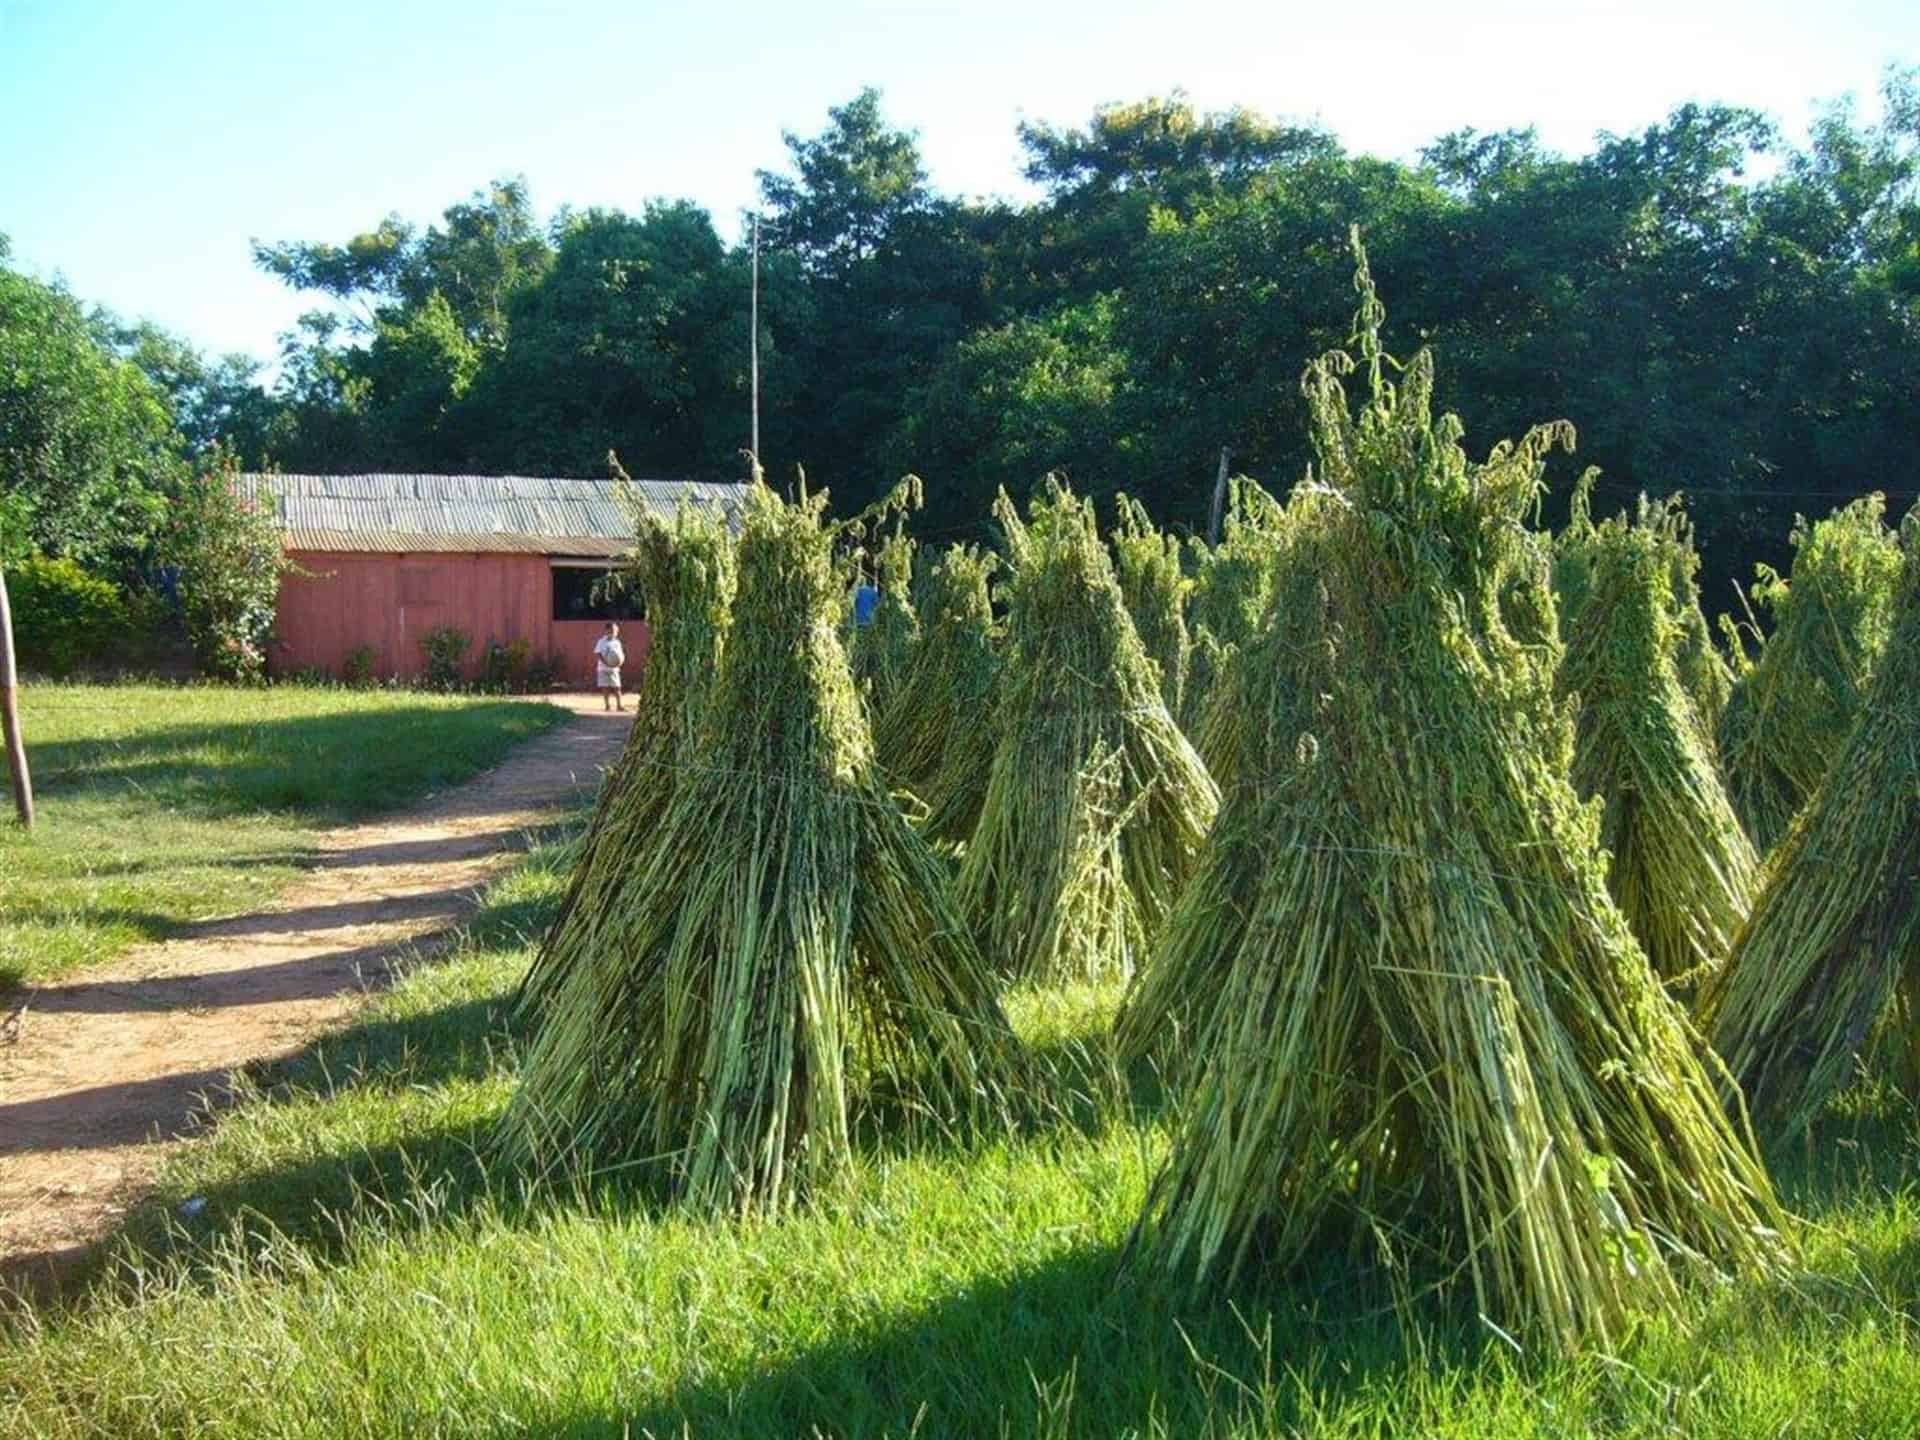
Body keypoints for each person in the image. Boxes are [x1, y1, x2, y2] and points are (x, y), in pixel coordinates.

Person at [593, 623, 626, 711]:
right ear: (606, 631)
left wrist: (621, 662)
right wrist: (606, 662)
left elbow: (621, 654)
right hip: (603, 669)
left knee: (617, 687)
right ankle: (607, 705)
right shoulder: (601, 641)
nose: (614, 632)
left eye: (616, 631)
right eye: (612, 630)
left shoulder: (617, 642)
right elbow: (598, 653)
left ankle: (619, 705)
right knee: (605, 687)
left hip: (614, 669)